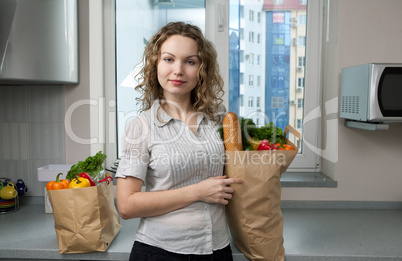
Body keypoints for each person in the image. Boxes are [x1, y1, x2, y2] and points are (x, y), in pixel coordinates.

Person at [115, 22, 243, 261]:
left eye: (190, 61)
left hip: (217, 249)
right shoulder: (141, 127)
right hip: (160, 252)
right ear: (155, 64)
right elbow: (127, 205)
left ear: (202, 69)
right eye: (169, 59)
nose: (178, 70)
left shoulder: (218, 119)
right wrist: (198, 192)